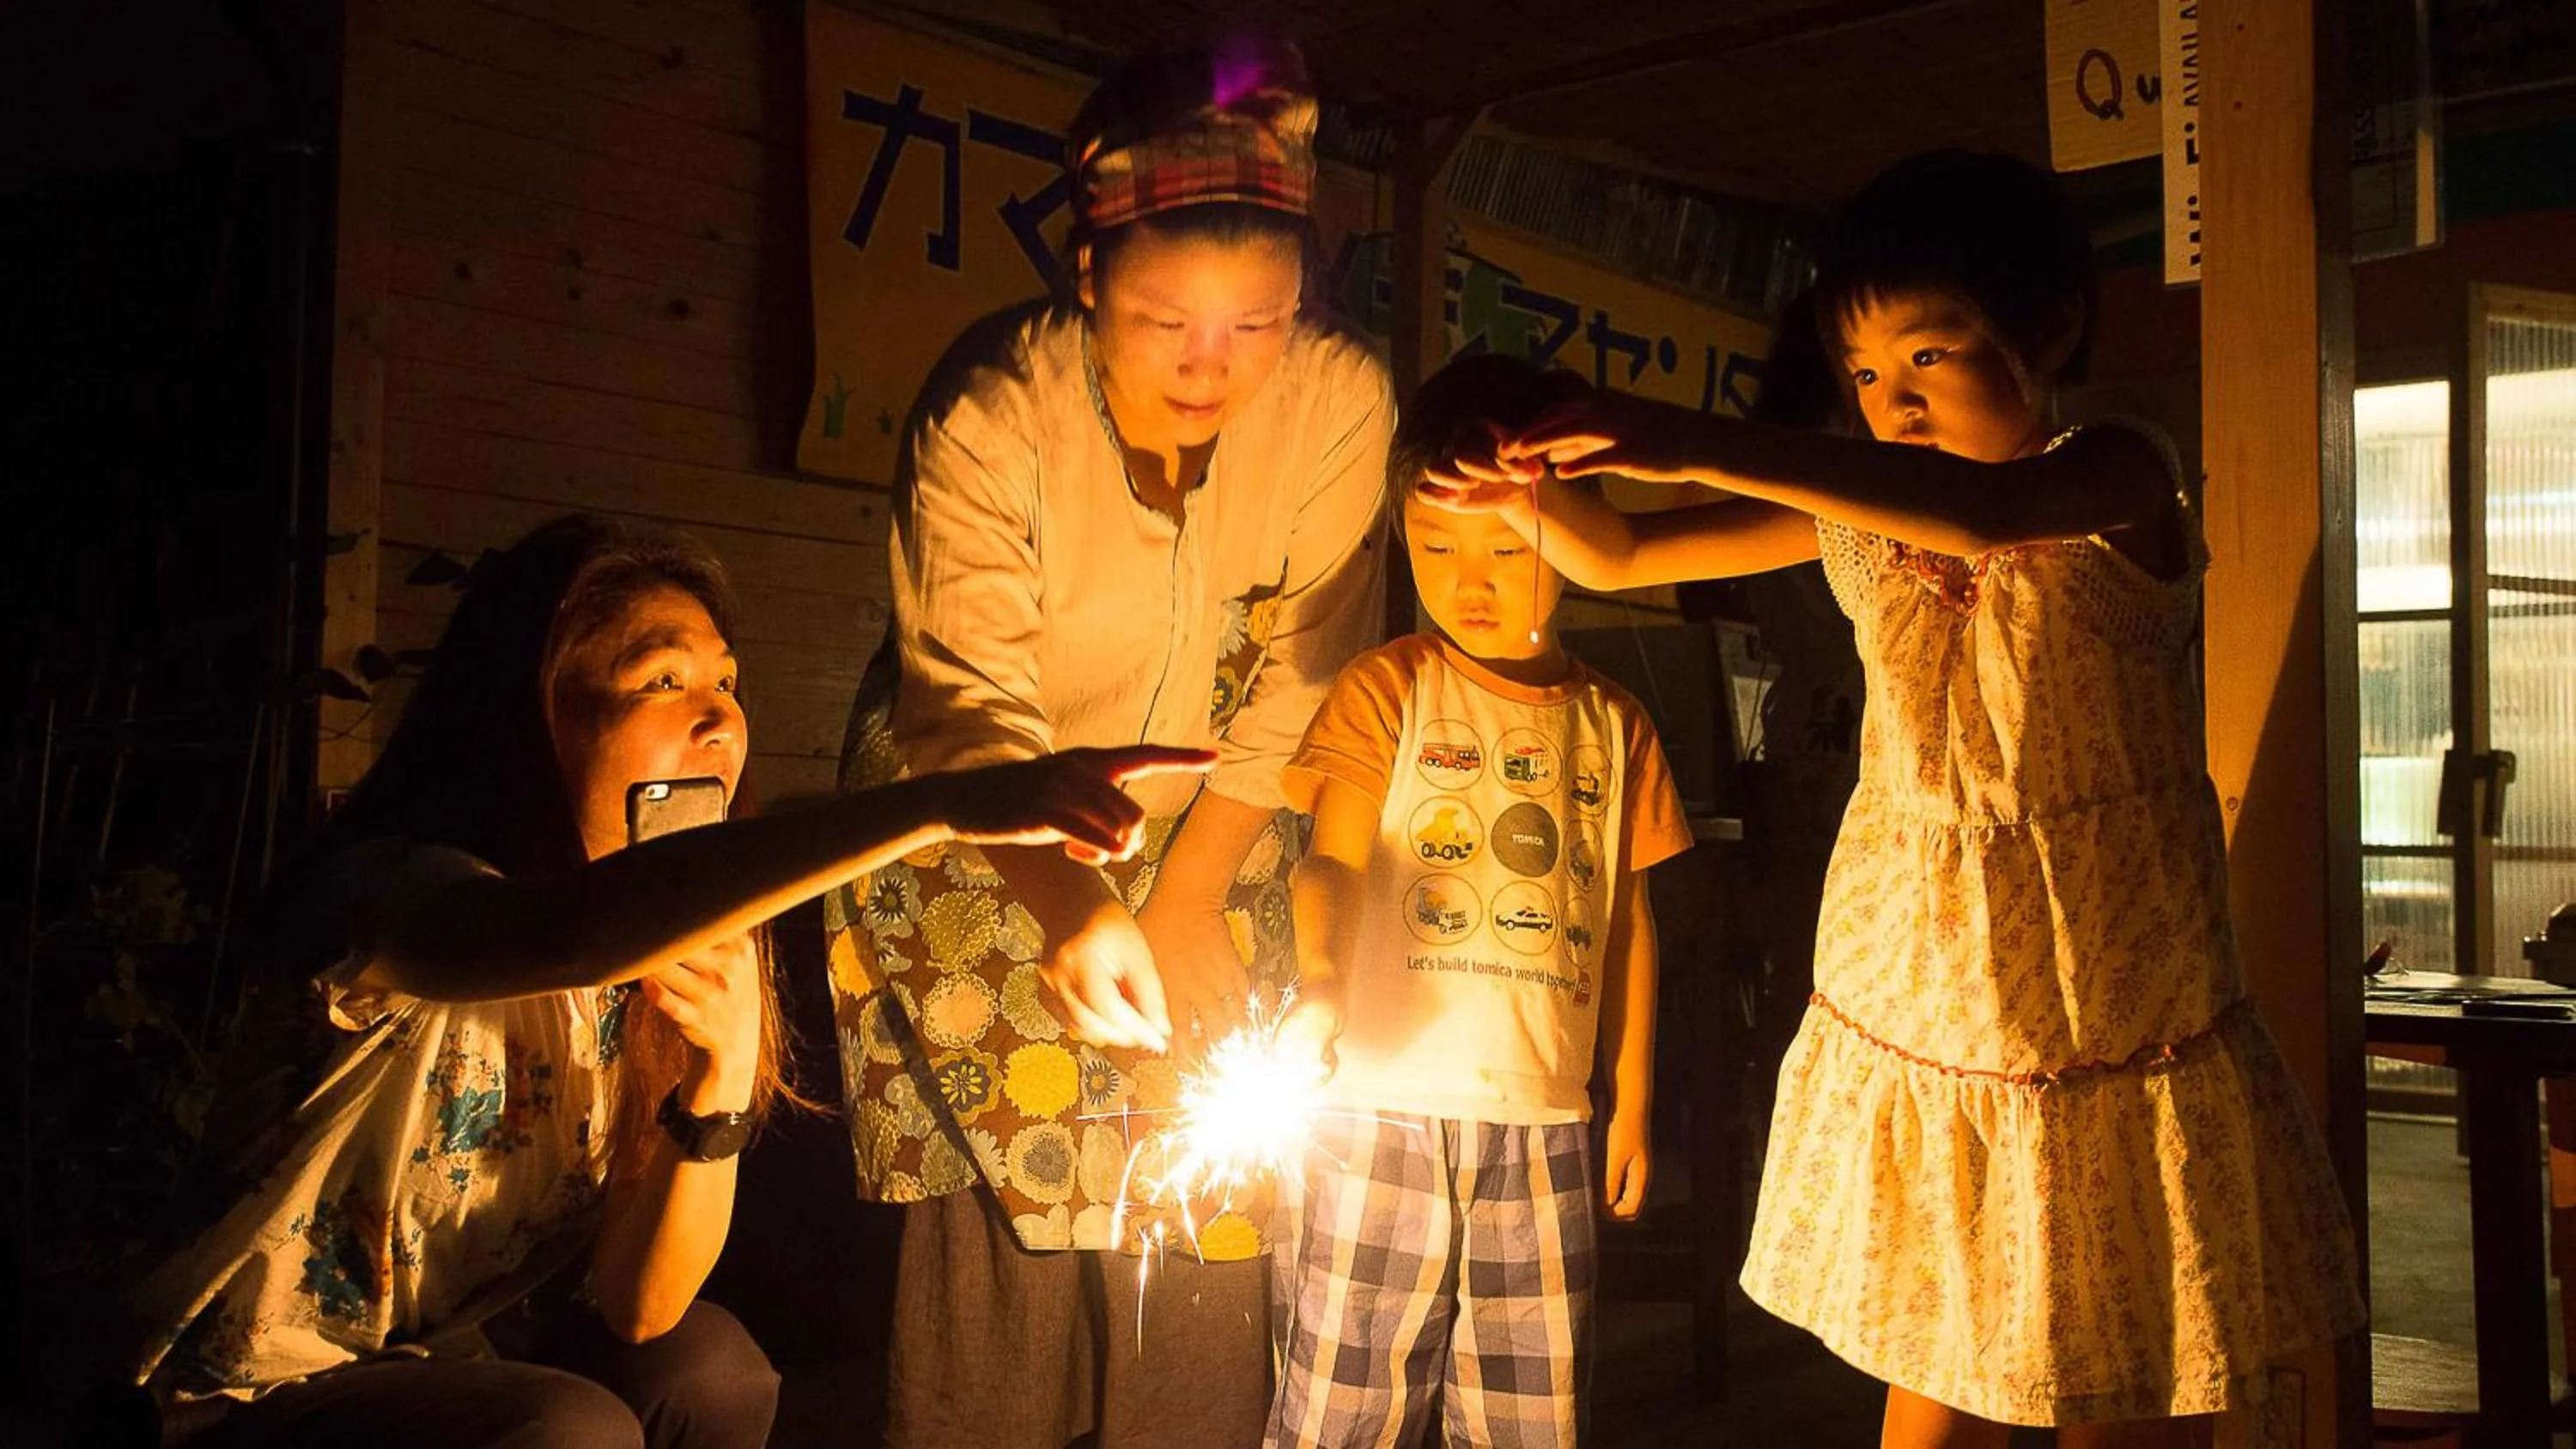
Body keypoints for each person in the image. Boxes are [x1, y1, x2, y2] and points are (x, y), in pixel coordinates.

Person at [1422, 151, 2365, 1446]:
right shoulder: (1863, 516)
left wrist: (1683, 434)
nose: (1892, 404)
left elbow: (1984, 513)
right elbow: (1623, 549)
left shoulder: (2117, 473)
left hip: (2108, 1000)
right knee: (1936, 1348)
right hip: (1928, 1002)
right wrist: (1516, 484)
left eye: (1929, 357)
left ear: (2051, 329)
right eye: (1866, 377)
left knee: (2122, 1353)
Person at [123, 514, 1206, 1448]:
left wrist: (722, 1077)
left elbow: (644, 1308)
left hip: (452, 1351)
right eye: (661, 679)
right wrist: (946, 801)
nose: (720, 715)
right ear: (533, 711)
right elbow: (560, 935)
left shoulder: (651, 961)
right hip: (241, 1393)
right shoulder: (398, 896)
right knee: (570, 1428)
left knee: (711, 1368)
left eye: (726, 679)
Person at [822, 39, 1392, 1449]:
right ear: (1087, 277)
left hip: (1216, 820)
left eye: (1256, 324)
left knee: (1207, 1184)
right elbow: (966, 710)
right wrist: (1074, 904)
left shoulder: (1338, 405)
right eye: (1165, 323)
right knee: (1003, 1219)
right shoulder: (992, 414)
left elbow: (1303, 680)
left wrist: (1189, 900)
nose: (1215, 366)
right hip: (971, 821)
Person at [1266, 353, 1692, 1447]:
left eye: (1508, 544)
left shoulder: (1619, 724)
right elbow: (1333, 861)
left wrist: (1630, 1094)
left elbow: (1631, 922)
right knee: (1341, 1407)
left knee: (1528, 1410)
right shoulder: (1388, 685)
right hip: (1378, 1110)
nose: (1471, 576)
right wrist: (1318, 979)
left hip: (1546, 1119)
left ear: (1577, 534)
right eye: (1437, 544)